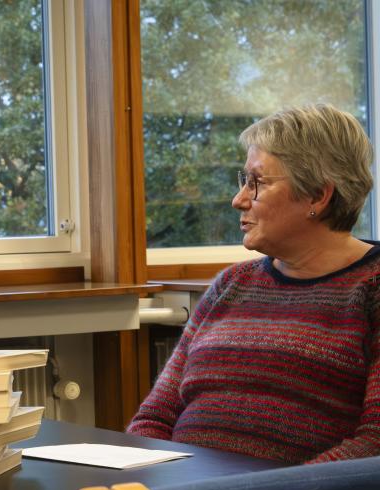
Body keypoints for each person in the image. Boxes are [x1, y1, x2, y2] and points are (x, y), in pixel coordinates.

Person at [127, 103, 380, 464]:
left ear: (318, 196)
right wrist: (150, 483)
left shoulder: (372, 289)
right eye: (243, 180)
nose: (238, 200)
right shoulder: (232, 284)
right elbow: (154, 418)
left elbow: (374, 445)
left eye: (257, 182)